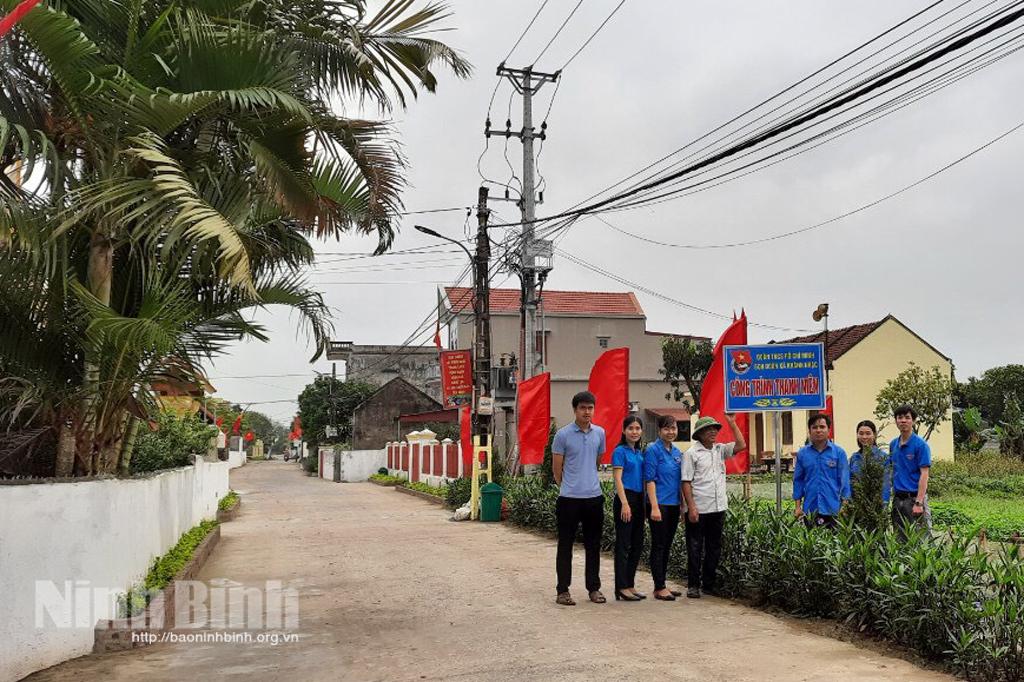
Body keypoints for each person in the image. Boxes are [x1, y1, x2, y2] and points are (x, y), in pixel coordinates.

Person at [681, 413, 746, 598]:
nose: (712, 432)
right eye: (708, 429)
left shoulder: (720, 449)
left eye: (715, 429)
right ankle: (693, 585)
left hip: (718, 508)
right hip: (699, 508)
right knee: (694, 548)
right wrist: (690, 507)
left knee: (714, 547)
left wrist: (732, 424)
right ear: (699, 433)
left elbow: (741, 445)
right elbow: (686, 482)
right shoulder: (691, 454)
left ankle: (708, 584)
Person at [551, 391, 606, 606]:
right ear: (575, 410)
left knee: (593, 545)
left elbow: (597, 460)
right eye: (582, 408)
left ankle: (594, 588)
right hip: (569, 500)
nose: (587, 412)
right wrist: (567, 487)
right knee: (566, 545)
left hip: (594, 498)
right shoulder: (563, 435)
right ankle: (562, 590)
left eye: (590, 408)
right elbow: (557, 468)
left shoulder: (599, 433)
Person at [644, 415, 683, 601]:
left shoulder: (677, 452)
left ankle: (663, 583)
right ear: (659, 431)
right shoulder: (653, 450)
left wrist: (683, 506)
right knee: (659, 545)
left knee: (667, 545)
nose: (671, 432)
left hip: (674, 505)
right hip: (659, 505)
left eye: (674, 428)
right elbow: (649, 479)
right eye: (667, 428)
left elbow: (680, 482)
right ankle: (658, 587)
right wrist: (654, 507)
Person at [793, 413, 850, 530]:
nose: (818, 430)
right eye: (814, 427)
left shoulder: (839, 453)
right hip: (810, 509)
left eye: (822, 427)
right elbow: (798, 481)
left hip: (833, 509)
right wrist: (798, 507)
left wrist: (844, 506)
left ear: (829, 429)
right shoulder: (803, 454)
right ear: (809, 431)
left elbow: (845, 482)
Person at [612, 415, 646, 602]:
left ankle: (630, 584)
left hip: (640, 500)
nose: (634, 432)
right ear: (624, 431)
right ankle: (621, 586)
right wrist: (624, 503)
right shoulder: (620, 451)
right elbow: (618, 479)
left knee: (637, 544)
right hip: (626, 499)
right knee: (624, 544)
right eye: (631, 428)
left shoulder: (639, 453)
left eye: (637, 428)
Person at [889, 404, 932, 541]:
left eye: (907, 418)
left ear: (913, 421)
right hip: (898, 499)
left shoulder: (921, 445)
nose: (903, 421)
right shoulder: (893, 445)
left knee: (921, 539)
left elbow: (924, 474)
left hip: (914, 499)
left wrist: (919, 503)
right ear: (896, 421)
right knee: (899, 538)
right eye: (899, 417)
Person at [848, 419, 892, 505]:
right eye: (861, 433)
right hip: (857, 506)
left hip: (876, 506)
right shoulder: (854, 458)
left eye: (868, 433)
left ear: (874, 435)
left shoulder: (883, 457)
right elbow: (850, 482)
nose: (864, 437)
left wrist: (884, 505)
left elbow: (886, 484)